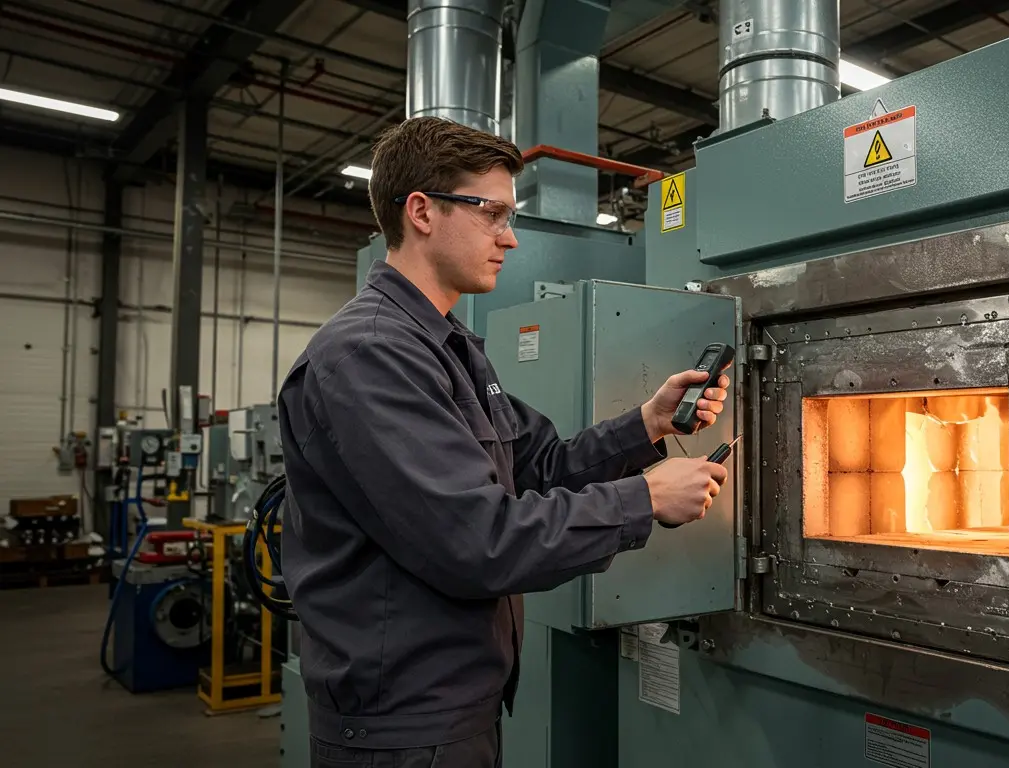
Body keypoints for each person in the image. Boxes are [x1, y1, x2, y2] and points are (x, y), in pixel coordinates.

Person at [277, 116, 731, 768]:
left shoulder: (447, 347)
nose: (510, 237)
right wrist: (644, 499)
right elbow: (477, 540)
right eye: (492, 213)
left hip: (453, 706)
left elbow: (538, 465)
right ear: (421, 212)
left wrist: (647, 424)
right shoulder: (370, 354)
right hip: (401, 727)